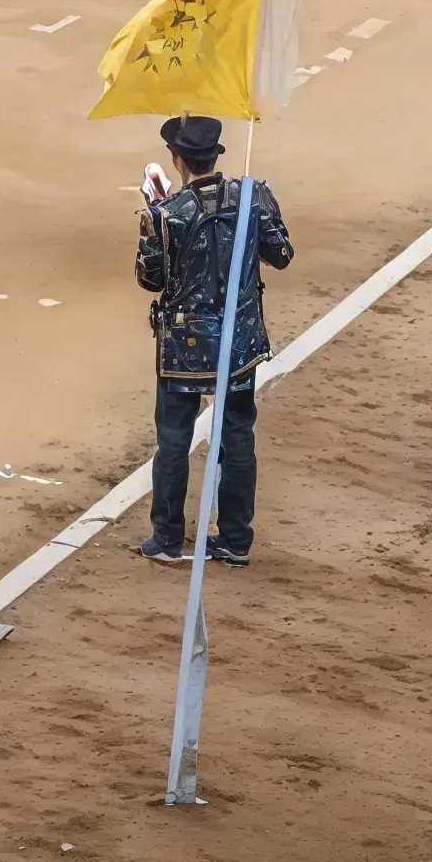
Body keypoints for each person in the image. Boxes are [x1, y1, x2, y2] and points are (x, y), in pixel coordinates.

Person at [133, 114, 291, 566]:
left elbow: (151, 279)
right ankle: (236, 539)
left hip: (184, 345)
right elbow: (280, 255)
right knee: (238, 436)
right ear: (215, 154)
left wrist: (153, 222)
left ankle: (166, 538)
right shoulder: (253, 196)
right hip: (238, 343)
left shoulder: (167, 213)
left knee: (173, 440)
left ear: (177, 159)